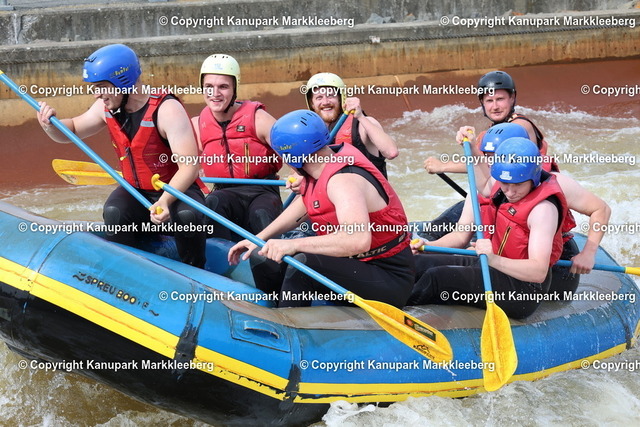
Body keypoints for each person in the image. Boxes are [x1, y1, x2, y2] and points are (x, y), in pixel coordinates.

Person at [37, 44, 206, 268]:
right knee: (114, 212)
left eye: (101, 87)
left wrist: (165, 201)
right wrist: (49, 125)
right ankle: (127, 270)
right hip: (136, 192)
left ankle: (196, 270)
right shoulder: (104, 107)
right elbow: (73, 130)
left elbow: (189, 167)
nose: (97, 94)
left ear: (123, 83)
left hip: (176, 190)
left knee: (187, 217)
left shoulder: (167, 110)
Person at [228, 110, 414, 308]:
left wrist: (294, 244)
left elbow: (357, 240)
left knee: (303, 264)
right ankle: (274, 310)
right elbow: (306, 204)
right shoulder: (322, 164)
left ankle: (288, 321)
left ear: (291, 156)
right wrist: (258, 238)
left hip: (387, 277)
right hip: (357, 265)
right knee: (263, 256)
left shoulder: (343, 181)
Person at [408, 138, 568, 319]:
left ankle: (399, 313)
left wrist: (493, 259)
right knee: (417, 263)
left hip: (523, 289)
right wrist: (428, 246)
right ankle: (388, 293)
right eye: (504, 183)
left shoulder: (543, 210)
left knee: (437, 277)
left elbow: (538, 272)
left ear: (534, 177)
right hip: (490, 264)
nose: (510, 192)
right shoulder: (500, 183)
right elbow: (480, 174)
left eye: (518, 185)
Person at [192, 54, 283, 241]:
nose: (215, 93)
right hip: (223, 192)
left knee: (260, 214)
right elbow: (180, 166)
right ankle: (219, 256)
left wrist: (300, 177)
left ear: (235, 89)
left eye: (223, 87)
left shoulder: (259, 119)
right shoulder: (197, 125)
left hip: (263, 191)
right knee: (213, 203)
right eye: (209, 87)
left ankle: (270, 255)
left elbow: (295, 154)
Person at [304, 72, 398, 178]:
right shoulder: (308, 134)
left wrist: (360, 116)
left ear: (341, 99)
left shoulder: (363, 124)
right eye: (319, 98)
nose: (325, 102)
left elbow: (391, 152)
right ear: (312, 104)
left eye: (330, 96)